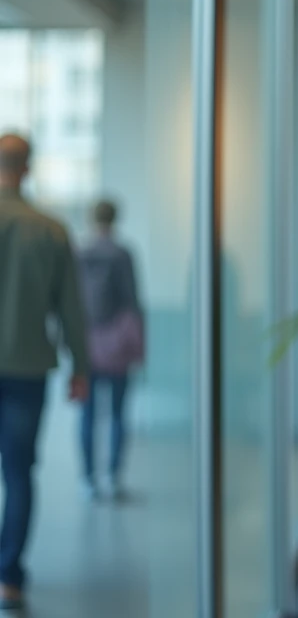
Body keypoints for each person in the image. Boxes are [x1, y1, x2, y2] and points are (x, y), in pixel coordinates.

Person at [0, 133, 89, 612]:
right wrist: (82, 366)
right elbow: (71, 307)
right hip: (28, 369)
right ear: (28, 169)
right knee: (18, 472)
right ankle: (9, 577)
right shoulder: (51, 229)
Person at [77, 199, 144, 501]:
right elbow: (132, 301)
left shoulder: (80, 253)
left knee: (87, 415)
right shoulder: (123, 254)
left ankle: (88, 480)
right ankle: (113, 477)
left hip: (87, 345)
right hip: (117, 346)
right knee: (117, 414)